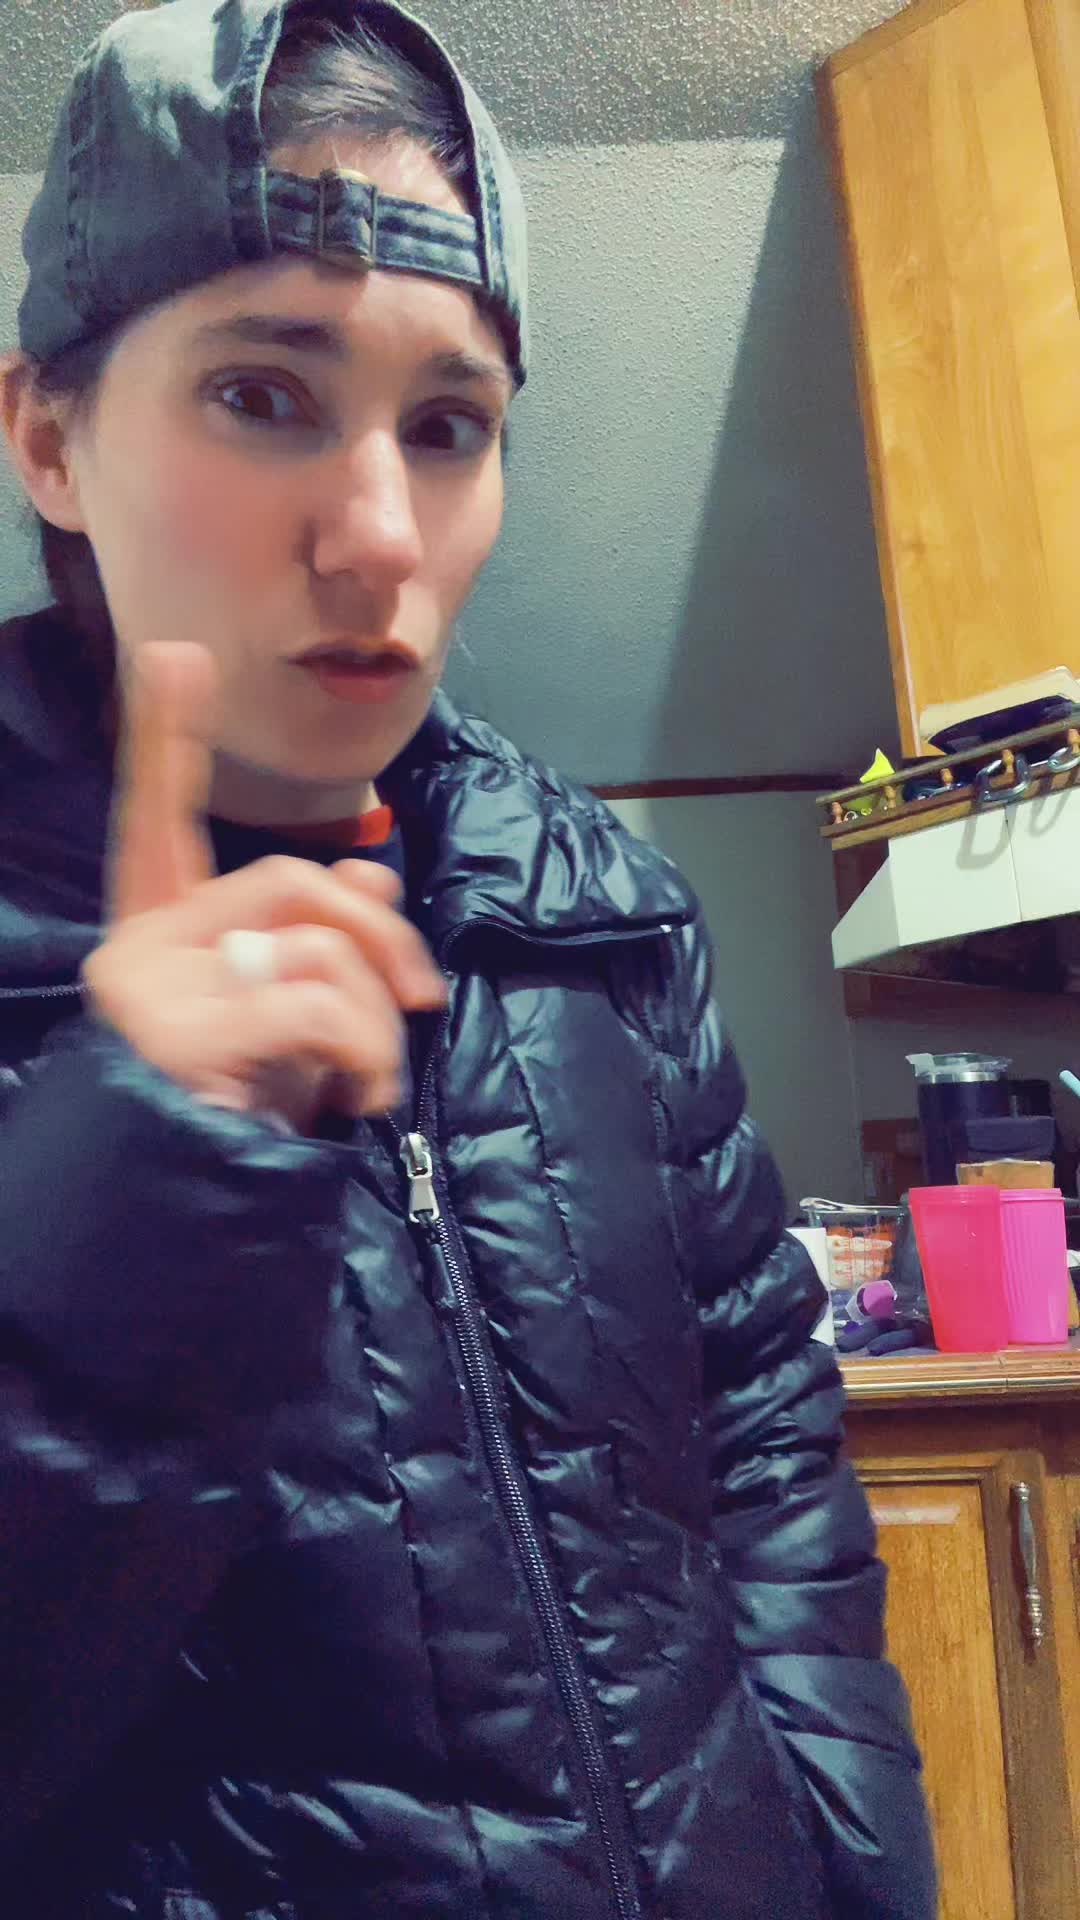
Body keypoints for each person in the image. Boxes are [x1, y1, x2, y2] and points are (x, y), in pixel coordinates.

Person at [0, 4, 936, 1916]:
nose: (378, 536)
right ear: (48, 438)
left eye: (448, 428)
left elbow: (766, 1453)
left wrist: (846, 1861)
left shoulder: (595, 901)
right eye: (260, 392)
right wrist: (130, 1201)